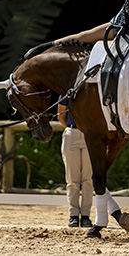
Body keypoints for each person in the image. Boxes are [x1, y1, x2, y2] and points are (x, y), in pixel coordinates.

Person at [57, 97, 93, 228]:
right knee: (72, 179)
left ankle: (85, 215)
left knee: (87, 179)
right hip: (72, 133)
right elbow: (61, 116)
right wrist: (71, 130)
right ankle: (73, 215)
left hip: (89, 134)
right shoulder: (66, 91)